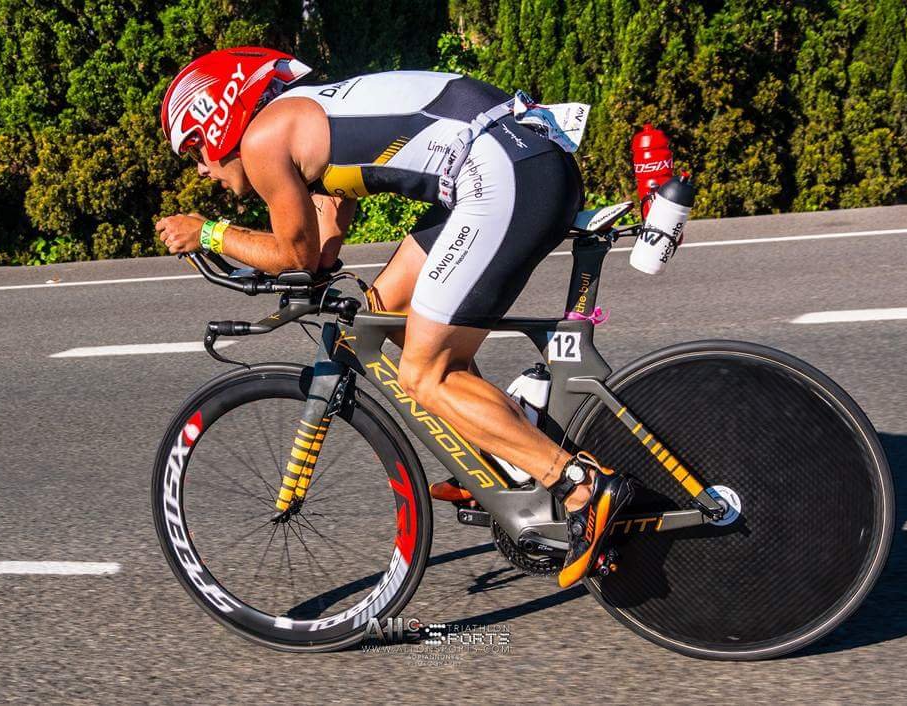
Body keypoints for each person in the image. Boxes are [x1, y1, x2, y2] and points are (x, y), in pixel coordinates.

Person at [156, 46, 634, 588]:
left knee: (425, 373)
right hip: (514, 159)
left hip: (500, 173)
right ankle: (500, 461)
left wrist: (209, 233)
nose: (200, 169)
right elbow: (323, 242)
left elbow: (297, 254)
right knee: (384, 314)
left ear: (218, 117)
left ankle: (579, 485)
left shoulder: (265, 138)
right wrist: (307, 269)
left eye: (196, 149)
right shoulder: (300, 118)